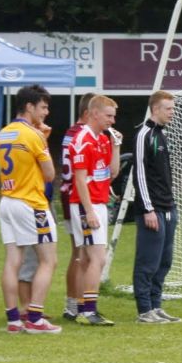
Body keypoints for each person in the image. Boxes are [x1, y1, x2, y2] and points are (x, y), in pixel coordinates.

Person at [0, 84, 61, 334]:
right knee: (49, 260)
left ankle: (14, 320)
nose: (45, 113)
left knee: (13, 260)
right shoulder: (33, 135)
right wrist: (43, 139)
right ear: (29, 106)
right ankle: (35, 317)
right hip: (31, 203)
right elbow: (49, 174)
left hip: (7, 201)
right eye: (43, 107)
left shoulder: (4, 133)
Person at [64, 95, 120, 326]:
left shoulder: (103, 139)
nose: (112, 120)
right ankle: (89, 311)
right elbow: (79, 180)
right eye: (108, 115)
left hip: (99, 202)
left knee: (88, 258)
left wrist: (116, 146)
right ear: (94, 113)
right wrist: (89, 211)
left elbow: (112, 172)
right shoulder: (82, 140)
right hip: (87, 205)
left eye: (114, 116)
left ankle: (81, 307)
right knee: (98, 257)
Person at [132, 90, 181, 323]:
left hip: (168, 207)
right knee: (148, 260)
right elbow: (140, 174)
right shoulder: (144, 134)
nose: (173, 112)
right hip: (152, 209)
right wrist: (147, 209)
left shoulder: (163, 134)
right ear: (155, 109)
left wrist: (171, 204)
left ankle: (156, 304)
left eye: (173, 108)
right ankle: (144, 310)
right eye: (168, 108)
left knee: (165, 260)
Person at [59, 92, 95, 320]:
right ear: (87, 113)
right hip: (77, 197)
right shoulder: (82, 135)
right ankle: (75, 302)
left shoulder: (70, 133)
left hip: (68, 193)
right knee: (81, 253)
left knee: (80, 252)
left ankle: (75, 301)